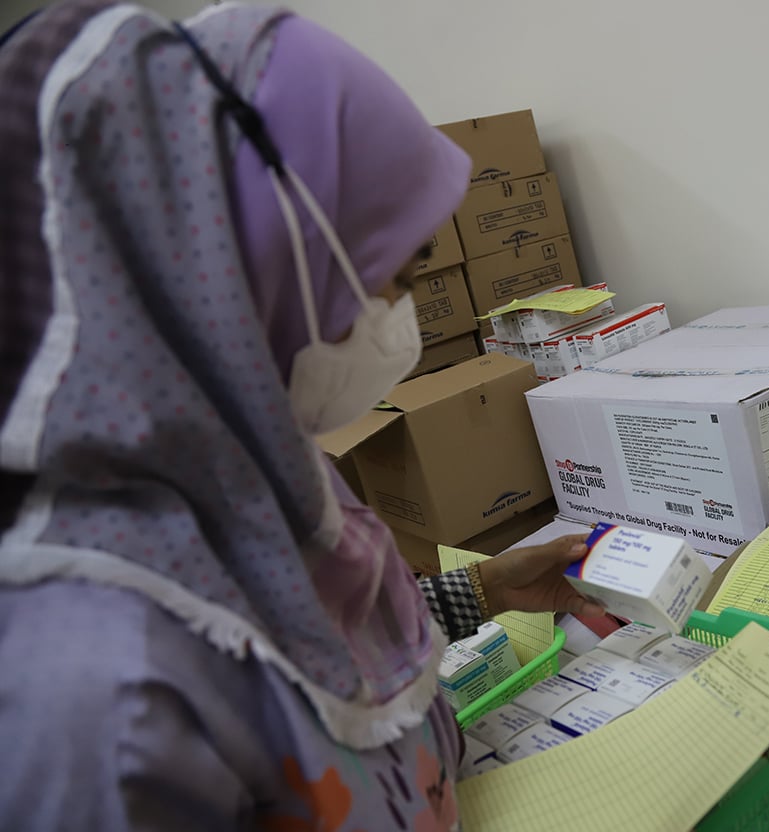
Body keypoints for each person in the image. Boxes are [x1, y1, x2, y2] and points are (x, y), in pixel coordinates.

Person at [0, 2, 605, 829]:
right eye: (390, 274)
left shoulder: (259, 469)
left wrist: (479, 591)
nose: (405, 316)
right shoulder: (92, 694)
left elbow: (301, 646)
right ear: (242, 272)